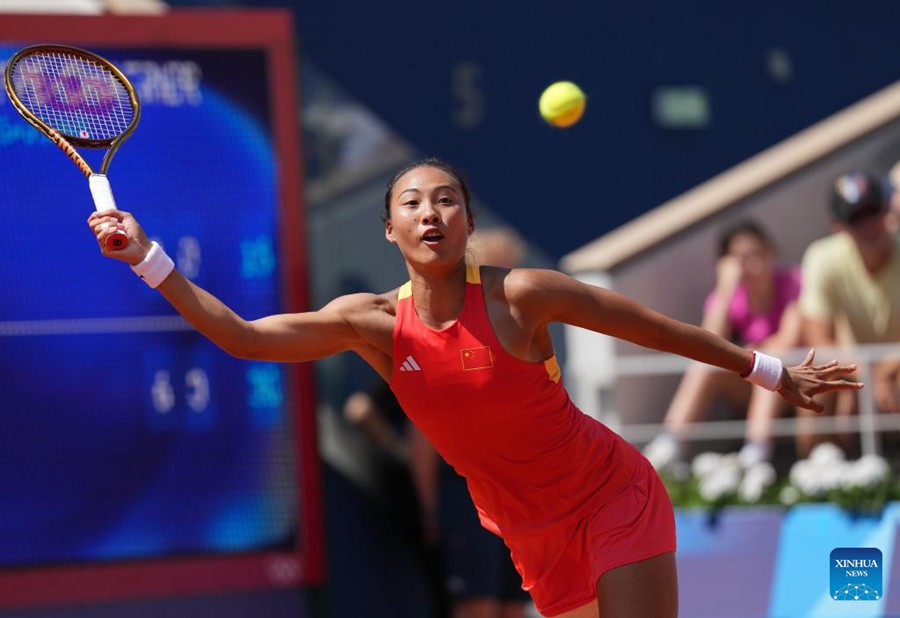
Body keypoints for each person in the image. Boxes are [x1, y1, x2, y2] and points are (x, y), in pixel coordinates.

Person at [88, 157, 861, 618]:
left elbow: (654, 330)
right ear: (389, 231)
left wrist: (768, 370)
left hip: (610, 496)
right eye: (413, 203)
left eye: (446, 200)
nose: (431, 212)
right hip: (530, 534)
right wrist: (148, 256)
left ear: (466, 221)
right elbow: (246, 337)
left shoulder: (521, 295)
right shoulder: (373, 326)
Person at [407, 227, 532, 618]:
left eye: (512, 272)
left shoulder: (524, 336)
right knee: (478, 608)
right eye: (498, 272)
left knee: (516, 604)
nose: (508, 283)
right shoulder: (442, 338)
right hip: (467, 501)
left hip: (520, 501)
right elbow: (424, 436)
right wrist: (429, 506)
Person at [643, 220, 803, 470]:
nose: (753, 265)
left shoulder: (793, 281)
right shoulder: (728, 296)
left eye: (757, 254)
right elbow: (706, 342)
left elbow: (790, 340)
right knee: (706, 365)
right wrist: (726, 288)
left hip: (790, 385)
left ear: (770, 252)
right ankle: (670, 445)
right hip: (749, 387)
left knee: (767, 361)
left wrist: (755, 354)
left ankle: (756, 452)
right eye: (742, 259)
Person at [797, 170, 900, 457]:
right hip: (860, 371)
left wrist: (882, 374)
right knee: (817, 383)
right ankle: (820, 473)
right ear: (838, 225)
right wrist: (868, 375)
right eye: (856, 217)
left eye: (873, 211)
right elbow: (818, 342)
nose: (868, 224)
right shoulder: (822, 258)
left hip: (884, 370)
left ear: (887, 210)